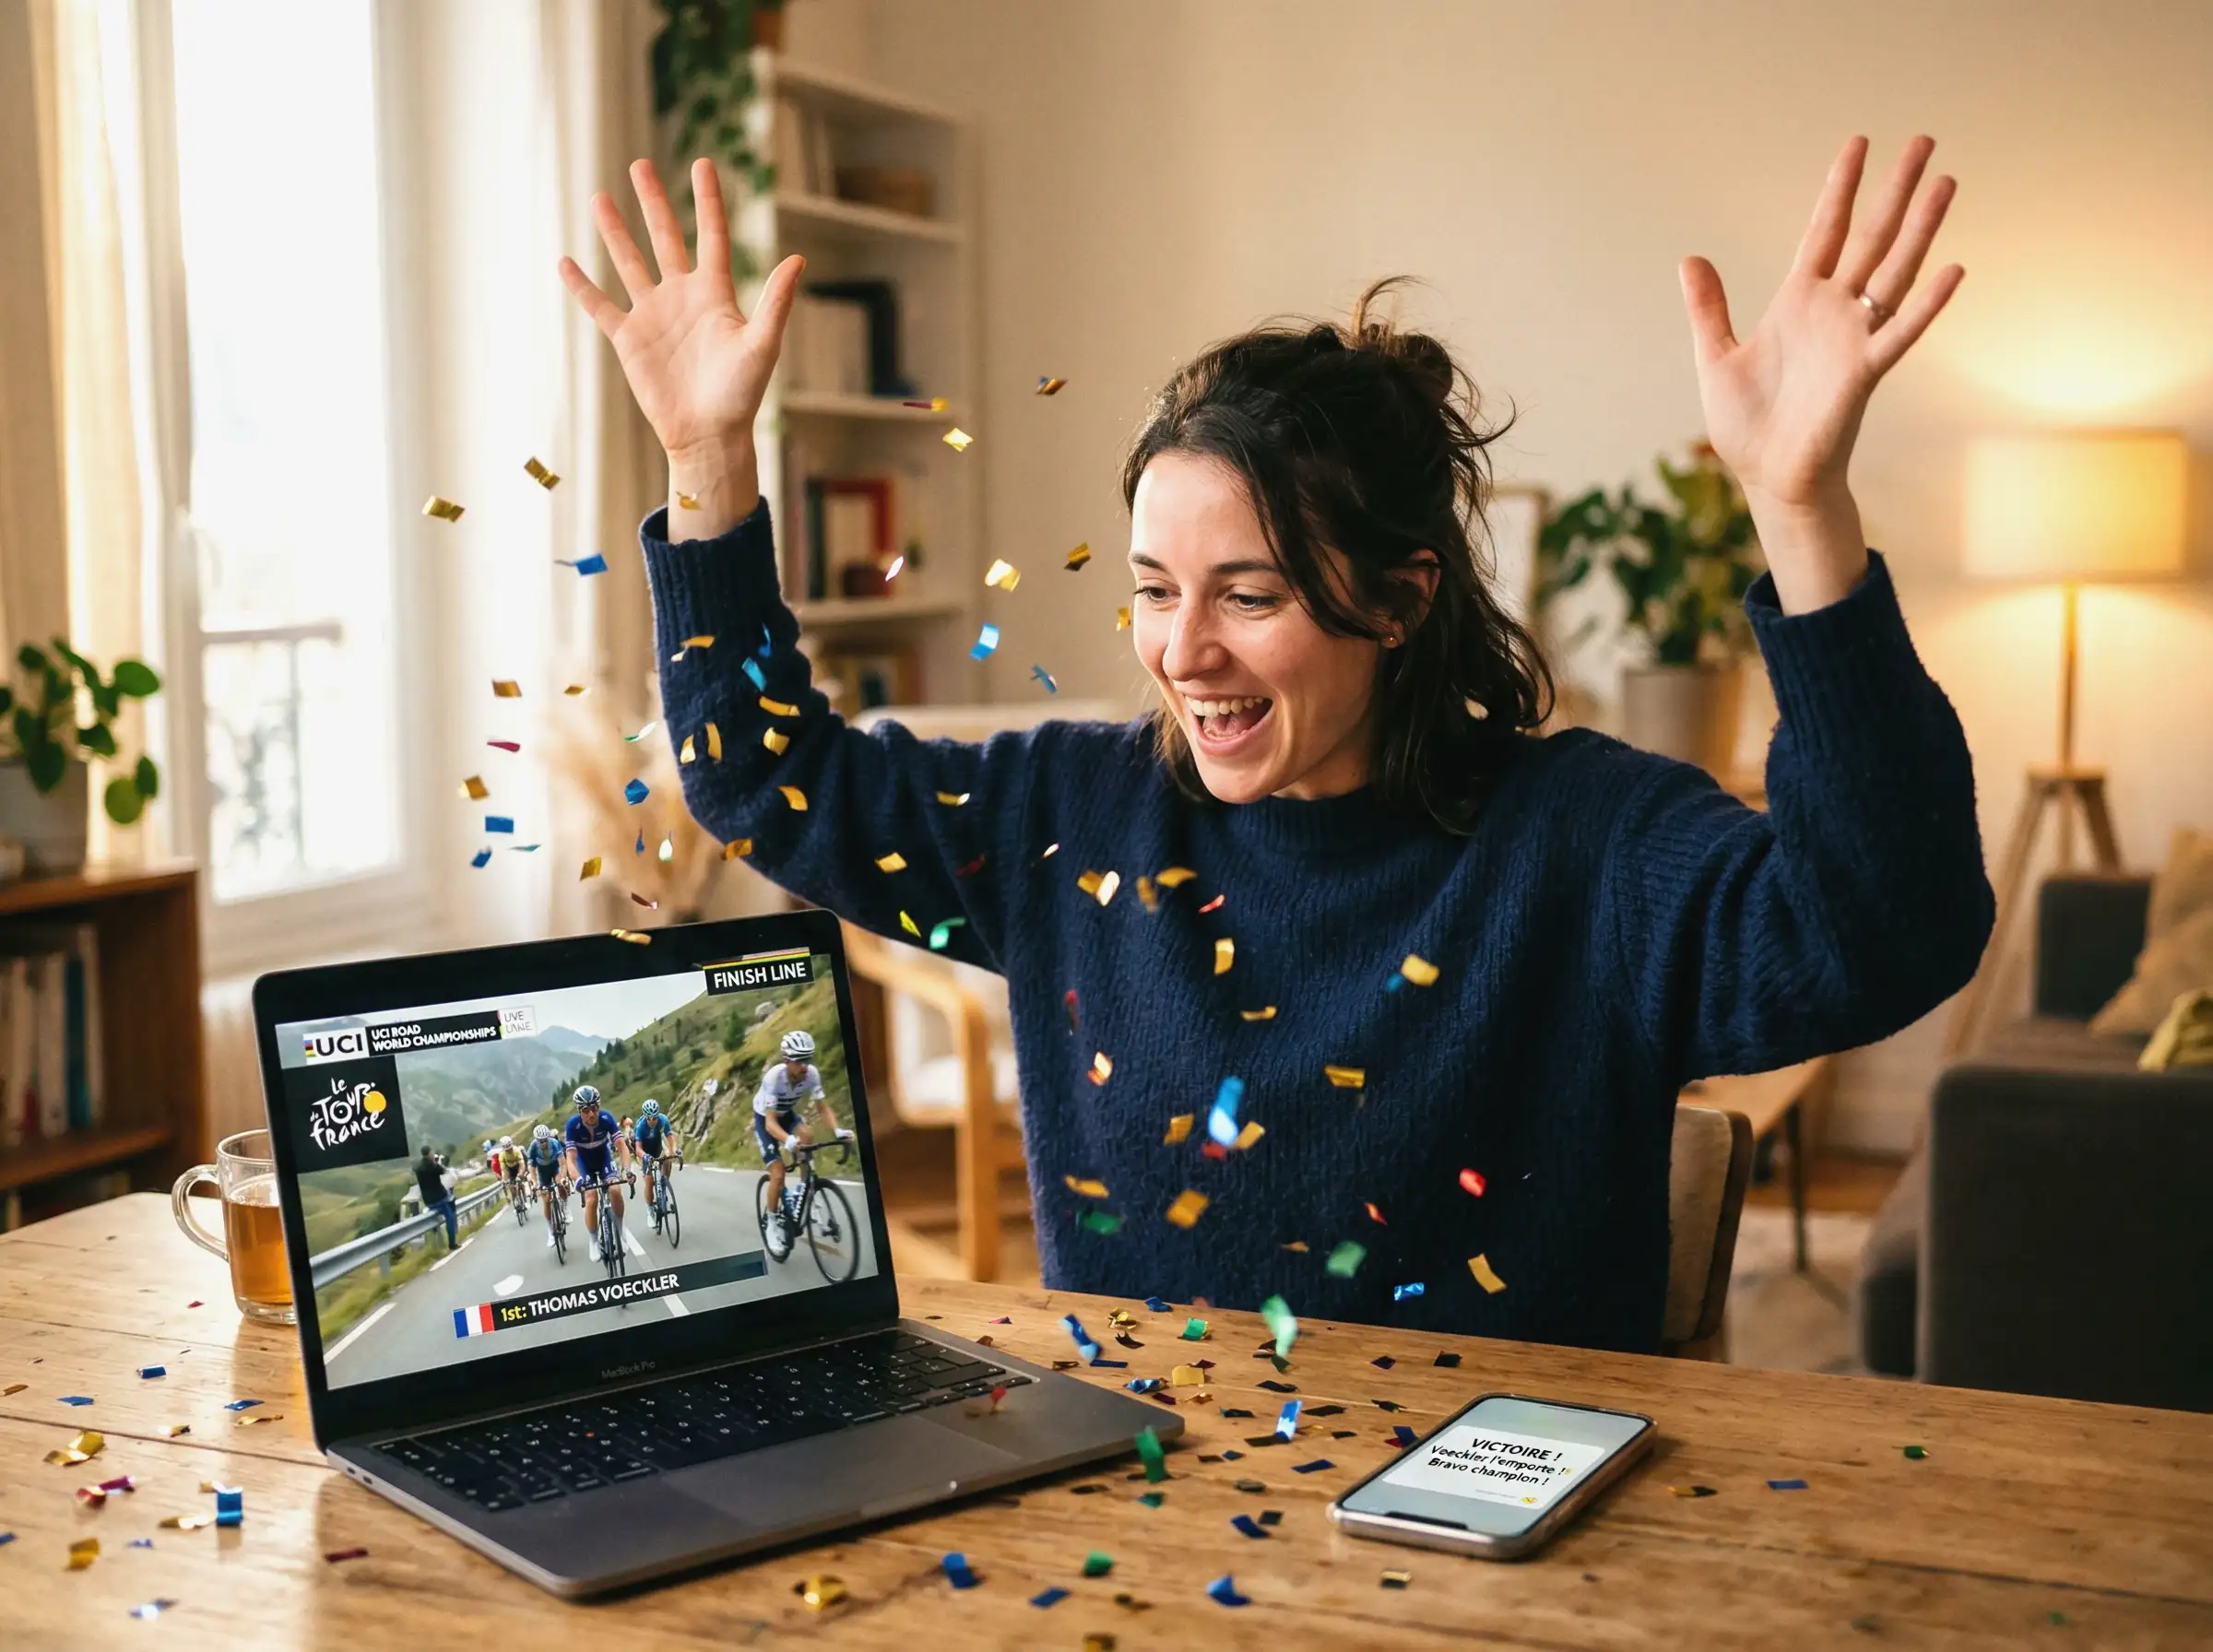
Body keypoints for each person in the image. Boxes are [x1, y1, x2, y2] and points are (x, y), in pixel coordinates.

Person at [562, 141, 1994, 1354]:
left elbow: (1891, 930)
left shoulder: (1588, 843)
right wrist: (706, 469)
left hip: (1504, 1551)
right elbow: (765, 778)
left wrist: (1803, 512)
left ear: (1399, 595)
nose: (1185, 652)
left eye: (1250, 595)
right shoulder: (1074, 816)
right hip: (1152, 1531)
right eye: (1153, 588)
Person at [752, 1031, 847, 1249]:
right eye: (799, 1061)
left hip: (787, 1114)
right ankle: (773, 1224)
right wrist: (787, 1141)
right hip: (767, 1119)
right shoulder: (775, 1078)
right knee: (778, 1174)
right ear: (787, 1061)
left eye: (808, 1059)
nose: (805, 1066)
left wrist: (837, 1131)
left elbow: (822, 1108)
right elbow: (770, 1124)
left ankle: (805, 1192)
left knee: (807, 1135)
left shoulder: (812, 1075)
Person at [563, 1085, 628, 1260]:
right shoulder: (572, 1125)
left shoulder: (606, 1118)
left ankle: (620, 1233)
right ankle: (593, 1240)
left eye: (595, 1108)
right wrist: (577, 1179)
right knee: (591, 1197)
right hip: (584, 1164)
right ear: (579, 1111)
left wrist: (627, 1170)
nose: (591, 1114)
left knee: (615, 1189)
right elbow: (570, 1158)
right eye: (586, 1110)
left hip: (603, 1158)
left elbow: (622, 1146)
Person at [633, 1099, 679, 1211]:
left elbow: (671, 1139)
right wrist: (644, 1157)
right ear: (645, 1117)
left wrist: (675, 1150)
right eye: (650, 1118)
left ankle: (664, 1183)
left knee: (667, 1159)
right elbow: (638, 1149)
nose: (653, 1120)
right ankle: (650, 1209)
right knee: (649, 1181)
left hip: (657, 1148)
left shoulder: (663, 1120)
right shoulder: (640, 1126)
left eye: (655, 1117)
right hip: (644, 1151)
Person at [525, 1123, 567, 1245]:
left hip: (555, 1168)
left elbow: (563, 1163)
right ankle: (550, 1231)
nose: (543, 1144)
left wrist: (563, 1177)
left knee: (560, 1184)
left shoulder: (554, 1143)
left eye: (545, 1141)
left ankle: (566, 1207)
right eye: (540, 1141)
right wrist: (534, 1182)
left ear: (548, 1138)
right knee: (546, 1199)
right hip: (542, 1172)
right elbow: (531, 1166)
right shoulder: (533, 1147)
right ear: (536, 1141)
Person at [415, 1143, 457, 1250]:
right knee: (450, 1218)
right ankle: (452, 1243)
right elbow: (443, 1171)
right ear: (429, 1153)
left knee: (436, 1212)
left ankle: (435, 1233)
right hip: (440, 1198)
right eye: (432, 1152)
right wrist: (436, 1161)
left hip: (428, 1201)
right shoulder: (432, 1165)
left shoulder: (419, 1168)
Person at [497, 1136, 524, 1204]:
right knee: (511, 1186)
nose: (509, 1151)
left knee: (520, 1183)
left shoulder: (516, 1150)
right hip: (510, 1169)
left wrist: (520, 1174)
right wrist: (504, 1179)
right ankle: (515, 1202)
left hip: (518, 1167)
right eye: (507, 1150)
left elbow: (522, 1164)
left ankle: (524, 1199)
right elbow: (503, 1169)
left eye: (510, 1149)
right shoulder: (502, 1154)